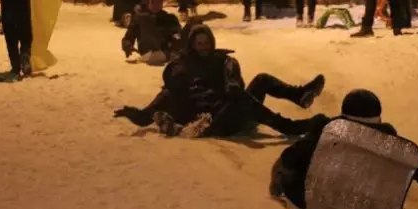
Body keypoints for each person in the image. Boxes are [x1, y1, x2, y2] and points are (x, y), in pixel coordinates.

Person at [269, 88, 418, 209]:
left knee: (288, 165)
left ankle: (280, 192)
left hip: (317, 207)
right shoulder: (387, 140)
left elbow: (291, 159)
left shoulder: (328, 130)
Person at [114, 22, 327, 138]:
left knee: (260, 80)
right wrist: (136, 114)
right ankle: (290, 127)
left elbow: (234, 80)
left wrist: (232, 81)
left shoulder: (222, 61)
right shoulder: (180, 69)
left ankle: (299, 95)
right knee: (236, 100)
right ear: (192, 45)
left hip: (235, 110)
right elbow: (154, 108)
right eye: (199, 44)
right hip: (216, 122)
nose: (204, 47)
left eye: (207, 43)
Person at [121, 0, 182, 65]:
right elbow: (128, 38)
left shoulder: (169, 18)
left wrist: (176, 38)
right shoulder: (140, 19)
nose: (156, 5)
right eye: (153, 2)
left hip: (167, 51)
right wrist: (128, 47)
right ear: (148, 3)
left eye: (159, 3)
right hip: (147, 52)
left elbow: (178, 33)